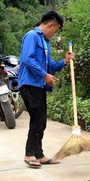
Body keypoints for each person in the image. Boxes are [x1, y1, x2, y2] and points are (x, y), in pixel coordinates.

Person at [18, 10, 75, 168]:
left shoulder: (45, 42)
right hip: (29, 84)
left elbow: (50, 66)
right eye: (55, 30)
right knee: (37, 119)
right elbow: (27, 59)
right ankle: (29, 154)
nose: (54, 34)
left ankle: (39, 154)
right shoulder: (32, 36)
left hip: (39, 85)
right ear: (50, 25)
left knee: (41, 120)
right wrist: (45, 75)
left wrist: (64, 61)